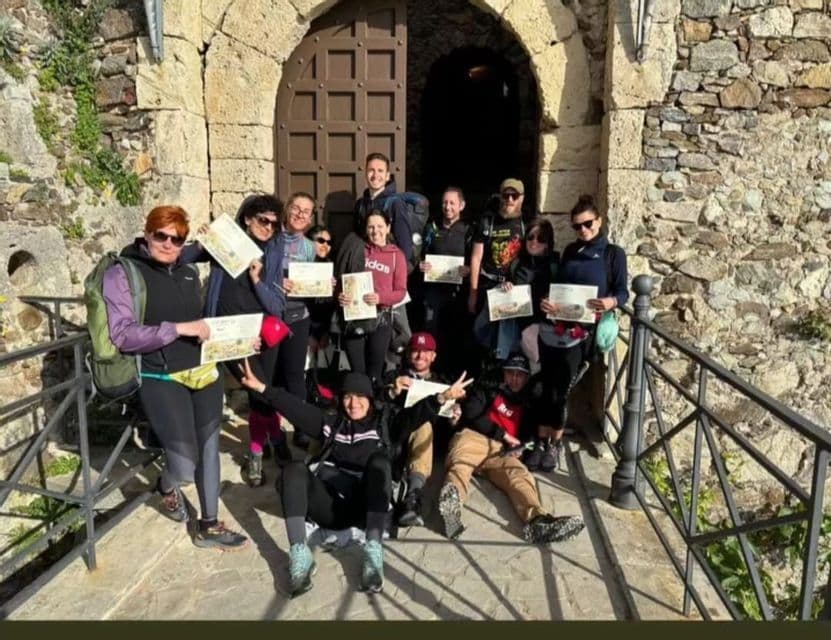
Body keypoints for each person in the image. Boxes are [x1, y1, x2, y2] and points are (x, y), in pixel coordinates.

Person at [237, 360, 471, 596]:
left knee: (380, 463)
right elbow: (295, 408)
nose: (353, 403)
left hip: (364, 506)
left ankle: (373, 552)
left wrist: (442, 397)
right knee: (293, 469)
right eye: (348, 397)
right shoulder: (329, 424)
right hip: (328, 505)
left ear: (370, 400)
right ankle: (300, 553)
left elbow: (414, 415)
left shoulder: (384, 425)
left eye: (360, 397)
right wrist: (261, 388)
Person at [102, 205, 248, 550]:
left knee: (210, 448)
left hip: (204, 371)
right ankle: (166, 487)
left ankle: (208, 525)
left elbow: (228, 249)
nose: (168, 244)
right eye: (161, 236)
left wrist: (236, 338)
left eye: (177, 239)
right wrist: (180, 329)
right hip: (160, 375)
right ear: (147, 232)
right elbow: (123, 335)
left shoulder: (184, 267)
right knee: (183, 465)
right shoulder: (123, 273)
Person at [437, 353, 585, 544]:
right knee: (461, 464)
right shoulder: (488, 388)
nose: (514, 379)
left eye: (520, 375)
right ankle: (452, 506)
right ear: (504, 374)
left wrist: (524, 448)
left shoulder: (530, 403)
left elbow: (534, 441)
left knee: (520, 475)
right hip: (476, 438)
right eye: (510, 373)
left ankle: (537, 521)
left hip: (502, 453)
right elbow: (472, 412)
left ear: (526, 377)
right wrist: (504, 435)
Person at [534, 195, 628, 472]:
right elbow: (559, 288)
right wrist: (547, 302)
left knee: (561, 388)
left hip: (583, 334)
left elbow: (623, 291)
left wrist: (611, 302)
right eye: (577, 226)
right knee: (544, 386)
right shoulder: (570, 252)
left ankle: (554, 444)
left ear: (598, 221)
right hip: (556, 328)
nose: (583, 230)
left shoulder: (613, 254)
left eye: (588, 224)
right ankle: (540, 442)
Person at [203, 194, 287, 487]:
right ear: (248, 218)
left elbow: (277, 306)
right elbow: (185, 256)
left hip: (262, 335)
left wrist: (257, 280)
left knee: (261, 392)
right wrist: (201, 240)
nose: (269, 229)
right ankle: (269, 445)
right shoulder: (225, 245)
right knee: (260, 393)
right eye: (264, 221)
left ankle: (265, 447)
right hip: (229, 333)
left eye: (275, 225)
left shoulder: (273, 253)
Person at [383, 331, 452, 527]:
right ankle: (410, 496)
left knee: (424, 425)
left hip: (425, 441)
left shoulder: (442, 384)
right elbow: (376, 403)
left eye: (425, 352)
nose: (420, 356)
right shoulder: (395, 376)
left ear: (433, 356)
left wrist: (454, 418)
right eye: (415, 351)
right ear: (407, 354)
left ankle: (413, 495)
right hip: (397, 433)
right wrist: (392, 391)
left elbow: (446, 430)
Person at [337, 209, 408, 388]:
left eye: (379, 226)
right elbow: (341, 281)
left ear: (388, 227)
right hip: (355, 317)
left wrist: (380, 297)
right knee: (357, 371)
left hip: (381, 319)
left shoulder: (396, 256)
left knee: (375, 371)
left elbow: (400, 291)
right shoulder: (356, 248)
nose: (375, 231)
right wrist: (340, 295)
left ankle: (374, 408)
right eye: (371, 227)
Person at [468, 178, 528, 363]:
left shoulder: (527, 224)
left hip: (512, 289)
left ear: (522, 198)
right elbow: (476, 257)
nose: (510, 199)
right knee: (481, 334)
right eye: (506, 195)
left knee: (508, 341)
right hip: (489, 285)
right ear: (500, 197)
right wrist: (473, 292)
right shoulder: (488, 221)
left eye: (514, 195)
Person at [418, 186, 472, 375]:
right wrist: (421, 265)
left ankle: (451, 376)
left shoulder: (468, 231)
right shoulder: (431, 228)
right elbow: (419, 255)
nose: (447, 207)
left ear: (462, 205)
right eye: (444, 202)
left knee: (455, 335)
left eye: (452, 203)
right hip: (433, 294)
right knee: (431, 334)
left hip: (457, 294)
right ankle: (430, 375)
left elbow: (477, 259)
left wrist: (469, 270)